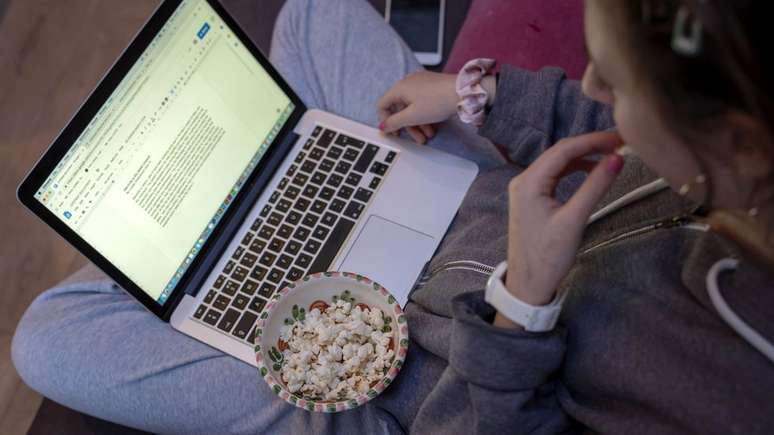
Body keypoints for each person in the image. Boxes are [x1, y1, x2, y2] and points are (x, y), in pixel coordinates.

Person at [12, 0, 773, 433]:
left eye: (618, 79)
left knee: (50, 335)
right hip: (473, 196)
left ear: (734, 139)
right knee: (313, 11)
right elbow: (588, 114)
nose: (591, 81)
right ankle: (243, 204)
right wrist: (479, 95)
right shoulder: (732, 146)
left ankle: (199, 223)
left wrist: (521, 312)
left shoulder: (732, 390)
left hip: (410, 379)